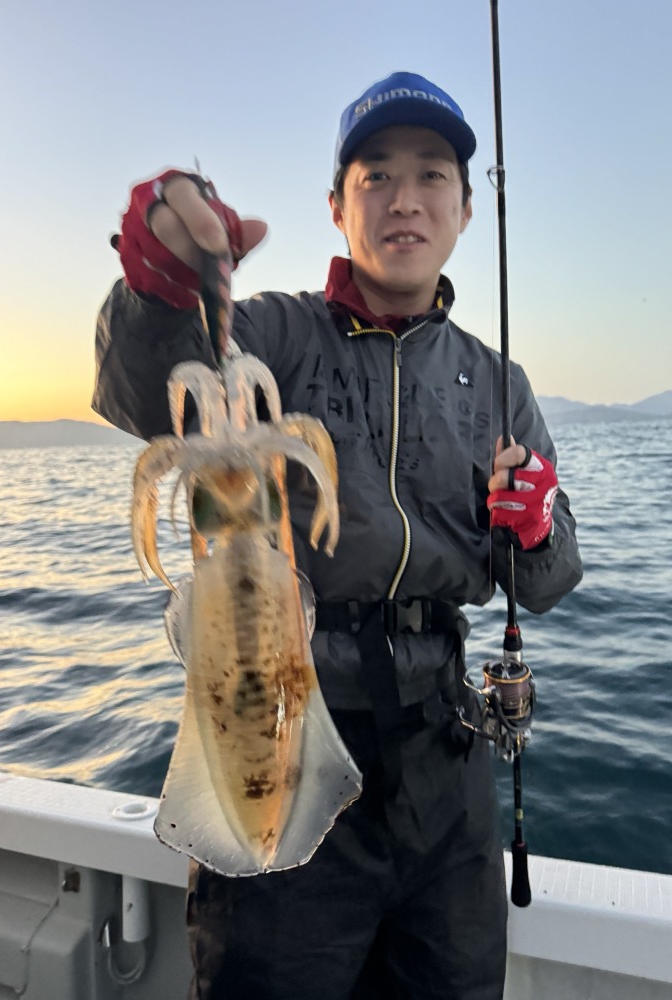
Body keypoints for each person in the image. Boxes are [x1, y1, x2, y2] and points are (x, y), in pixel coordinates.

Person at [93, 71, 582, 1000]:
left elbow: (552, 579)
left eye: (432, 175)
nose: (405, 199)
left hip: (447, 764)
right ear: (336, 206)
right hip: (282, 715)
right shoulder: (274, 335)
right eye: (376, 175)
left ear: (466, 209)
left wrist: (538, 529)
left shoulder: (498, 383)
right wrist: (159, 285)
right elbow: (148, 386)